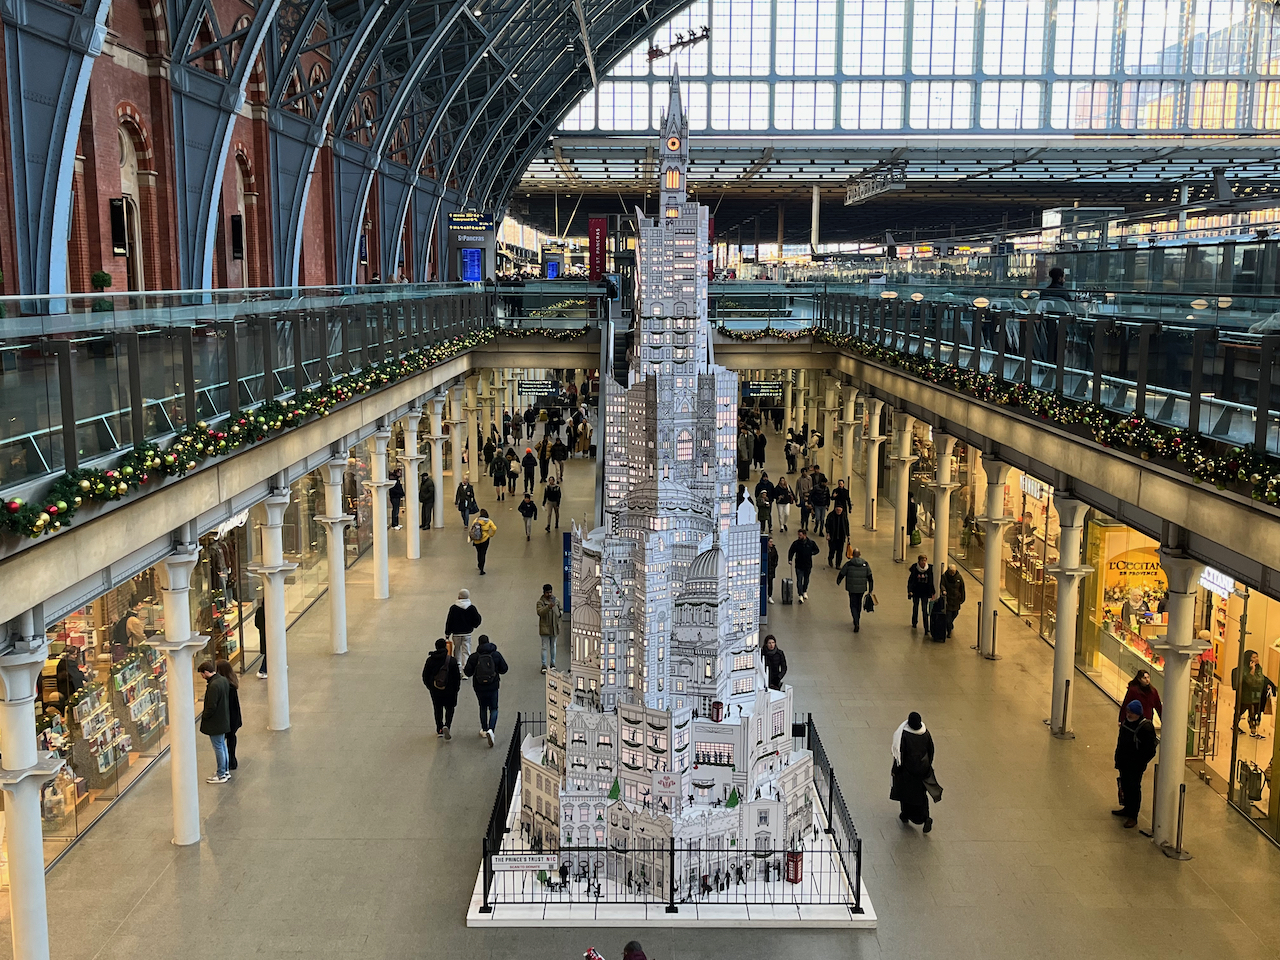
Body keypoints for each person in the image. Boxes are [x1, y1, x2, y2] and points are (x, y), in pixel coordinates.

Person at [1113, 700, 1158, 828]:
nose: (1128, 714)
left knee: (1134, 788)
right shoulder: (1127, 722)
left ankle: (1133, 816)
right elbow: (1121, 741)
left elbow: (1150, 750)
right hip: (1124, 761)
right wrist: (1118, 758)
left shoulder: (1145, 727)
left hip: (1135, 765)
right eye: (1127, 711)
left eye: (1131, 712)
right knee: (1125, 785)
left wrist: (1139, 762)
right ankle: (1127, 808)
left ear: (1137, 713)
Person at [891, 712, 936, 832]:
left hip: (907, 772)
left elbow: (900, 755)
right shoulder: (925, 733)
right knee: (921, 795)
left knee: (905, 794)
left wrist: (895, 770)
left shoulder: (905, 734)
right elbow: (931, 750)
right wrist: (927, 765)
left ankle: (905, 814)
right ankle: (925, 817)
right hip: (923, 770)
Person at [464, 635, 509, 747]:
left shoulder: (475, 657)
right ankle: (491, 730)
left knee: (483, 707)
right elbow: (504, 669)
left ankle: (484, 729)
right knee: (494, 708)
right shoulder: (496, 655)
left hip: (479, 687)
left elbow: (467, 672)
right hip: (493, 686)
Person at [198, 660, 232, 784]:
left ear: (206, 672)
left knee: (218, 746)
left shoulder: (213, 686)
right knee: (222, 745)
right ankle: (225, 770)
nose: (202, 677)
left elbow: (211, 706)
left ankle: (221, 773)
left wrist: (205, 716)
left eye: (202, 674)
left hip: (215, 722)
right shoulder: (223, 680)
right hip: (223, 719)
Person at [422, 638, 461, 739]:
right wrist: (456, 689)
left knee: (437, 709)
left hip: (435, 690)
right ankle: (447, 725)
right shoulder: (451, 661)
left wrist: (430, 687)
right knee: (449, 708)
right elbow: (457, 677)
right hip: (450, 690)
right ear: (445, 647)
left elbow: (425, 676)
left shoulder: (430, 660)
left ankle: (439, 728)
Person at [1232, 651, 1273, 738]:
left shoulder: (1259, 668)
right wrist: (1252, 671)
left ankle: (1253, 731)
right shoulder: (1243, 669)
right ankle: (1235, 726)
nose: (1256, 659)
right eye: (1254, 657)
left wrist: (1254, 675)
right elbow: (1250, 681)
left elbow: (1260, 680)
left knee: (1254, 714)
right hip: (1245, 695)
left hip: (1256, 695)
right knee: (1240, 711)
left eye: (1257, 657)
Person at [836, 547, 873, 632]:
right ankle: (857, 620)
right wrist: (870, 589)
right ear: (860, 555)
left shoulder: (849, 564)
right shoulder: (865, 564)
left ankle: (855, 620)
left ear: (852, 555)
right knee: (858, 604)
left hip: (852, 589)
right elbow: (870, 577)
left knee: (853, 604)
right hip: (861, 589)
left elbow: (842, 573)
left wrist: (838, 581)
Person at [216, 660, 242, 771]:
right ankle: (232, 759)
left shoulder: (225, 686)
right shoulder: (232, 682)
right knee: (232, 738)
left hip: (228, 717)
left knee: (223, 740)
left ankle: (228, 761)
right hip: (234, 717)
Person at [444, 589, 482, 662]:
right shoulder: (471, 608)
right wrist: (473, 626)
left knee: (457, 649)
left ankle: (458, 666)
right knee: (466, 650)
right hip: (467, 633)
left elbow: (449, 621)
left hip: (456, 634)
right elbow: (478, 619)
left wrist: (447, 633)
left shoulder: (454, 608)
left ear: (459, 596)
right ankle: (465, 667)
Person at [787, 529, 819, 603]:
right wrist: (790, 559)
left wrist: (812, 553)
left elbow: (817, 550)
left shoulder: (811, 543)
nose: (799, 536)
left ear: (805, 535)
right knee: (799, 580)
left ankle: (804, 591)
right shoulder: (796, 543)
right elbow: (791, 551)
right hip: (799, 565)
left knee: (806, 579)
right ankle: (800, 594)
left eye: (800, 535)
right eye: (798, 535)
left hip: (808, 565)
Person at [536, 583, 562, 673]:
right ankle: (544, 665)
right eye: (547, 593)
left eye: (550, 592)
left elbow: (560, 609)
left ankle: (553, 663)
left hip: (554, 627)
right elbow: (540, 612)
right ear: (544, 593)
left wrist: (560, 614)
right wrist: (548, 607)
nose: (549, 594)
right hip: (545, 628)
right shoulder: (540, 602)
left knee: (553, 646)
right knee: (544, 647)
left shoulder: (556, 601)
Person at [907, 554, 936, 629]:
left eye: (925, 560)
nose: (923, 562)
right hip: (916, 591)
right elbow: (911, 580)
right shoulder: (915, 568)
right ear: (919, 561)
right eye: (922, 560)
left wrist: (932, 592)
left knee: (924, 609)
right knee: (915, 607)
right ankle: (914, 622)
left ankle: (926, 626)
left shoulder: (929, 568)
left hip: (925, 592)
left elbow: (931, 581)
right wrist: (910, 590)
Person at [940, 563, 965, 637]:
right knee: (948, 616)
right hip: (948, 600)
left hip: (956, 600)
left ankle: (950, 624)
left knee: (955, 613)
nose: (952, 573)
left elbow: (962, 588)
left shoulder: (959, 577)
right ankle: (949, 631)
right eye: (951, 571)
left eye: (953, 571)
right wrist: (943, 590)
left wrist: (962, 598)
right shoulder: (944, 577)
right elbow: (942, 584)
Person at [469, 508, 497, 574]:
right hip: (485, 539)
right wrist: (491, 535)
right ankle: (482, 569)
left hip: (477, 540)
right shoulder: (489, 521)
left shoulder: (476, 520)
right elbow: (494, 528)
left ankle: (479, 564)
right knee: (483, 553)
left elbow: (472, 528)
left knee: (479, 553)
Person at [254, 600, 268, 679]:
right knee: (269, 652)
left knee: (268, 651)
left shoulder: (259, 610)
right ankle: (262, 670)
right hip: (269, 635)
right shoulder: (269, 612)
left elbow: (256, 623)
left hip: (262, 633)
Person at [766, 537, 779, 604]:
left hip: (771, 569)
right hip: (766, 569)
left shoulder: (774, 549)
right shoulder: (764, 549)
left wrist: (774, 565)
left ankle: (770, 596)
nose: (771, 543)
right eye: (770, 542)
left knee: (770, 583)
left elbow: (776, 557)